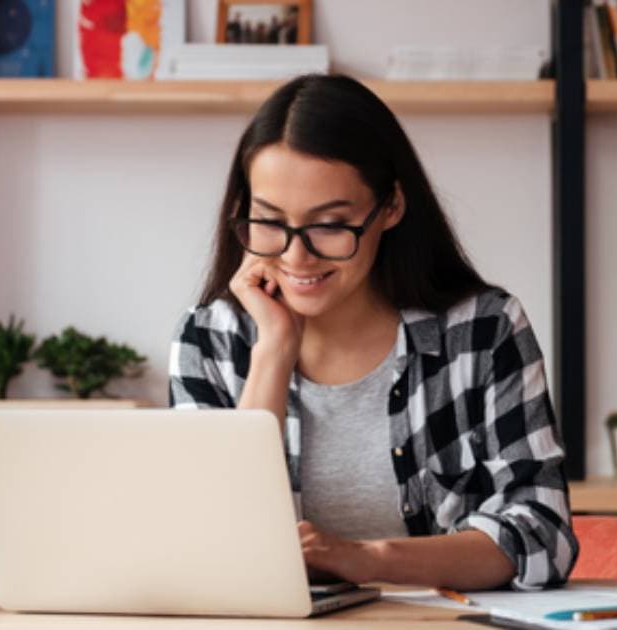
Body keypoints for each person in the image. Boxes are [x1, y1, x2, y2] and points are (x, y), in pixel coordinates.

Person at [169, 74, 576, 591]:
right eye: (270, 221)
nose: (297, 255)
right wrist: (274, 350)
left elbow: (543, 534)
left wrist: (368, 558)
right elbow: (211, 545)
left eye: (330, 224)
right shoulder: (208, 338)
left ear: (390, 208)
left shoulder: (482, 329)